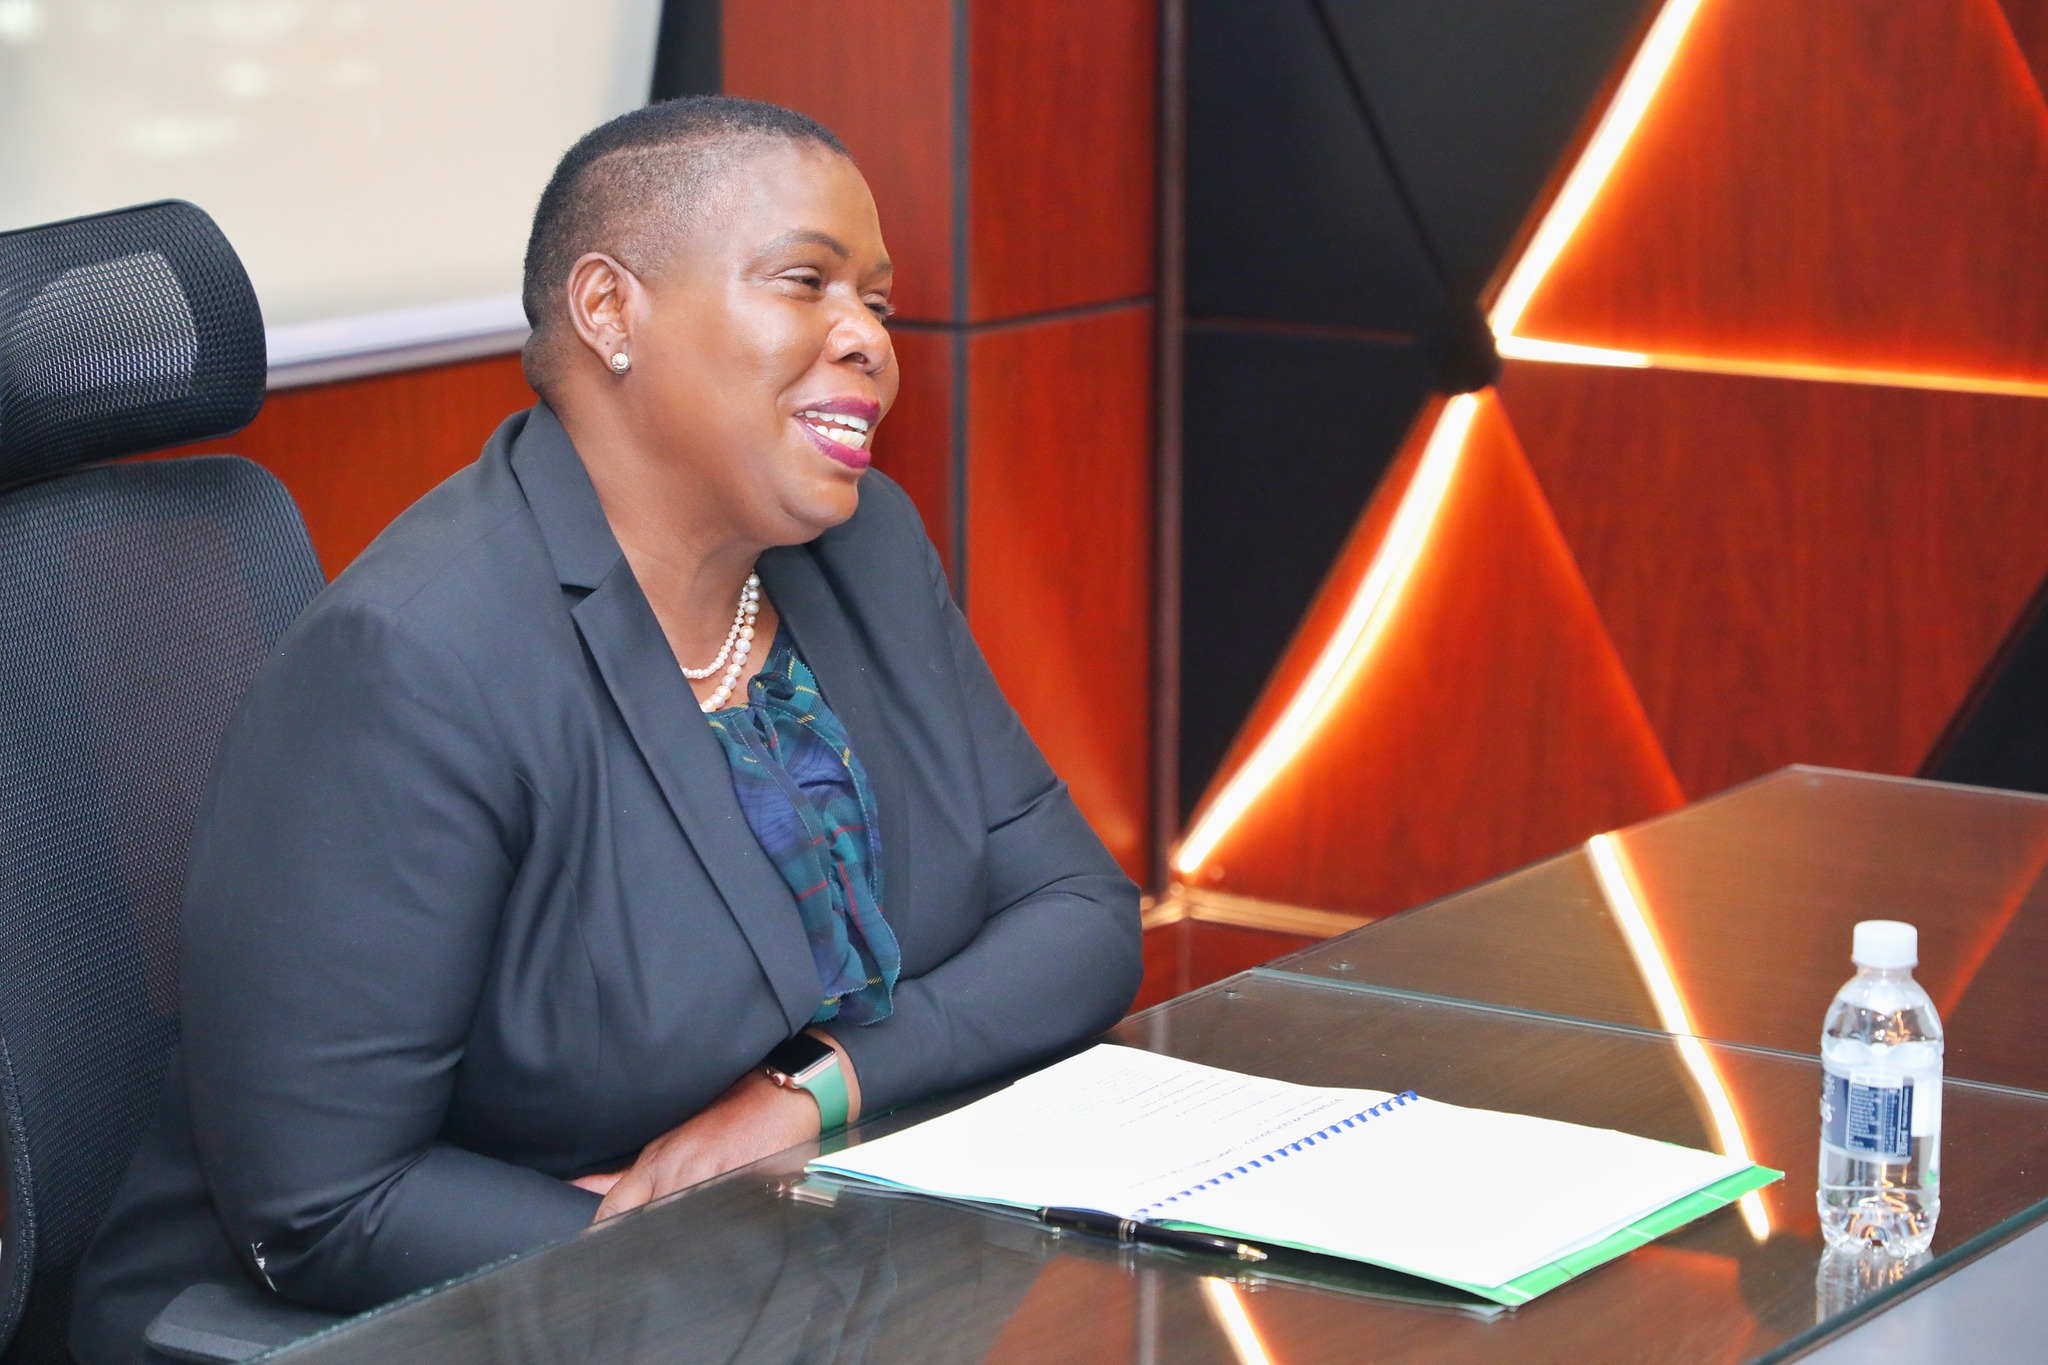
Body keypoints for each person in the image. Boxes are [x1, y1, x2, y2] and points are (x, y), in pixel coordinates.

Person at [70, 95, 1141, 1363]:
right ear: (608, 311)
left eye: (878, 302)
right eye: (805, 282)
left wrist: (805, 1091)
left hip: (816, 1259)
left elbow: (1078, 914)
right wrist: (714, 1257)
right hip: (442, 1316)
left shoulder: (868, 554)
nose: (866, 338)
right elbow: (324, 1209)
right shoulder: (414, 659)